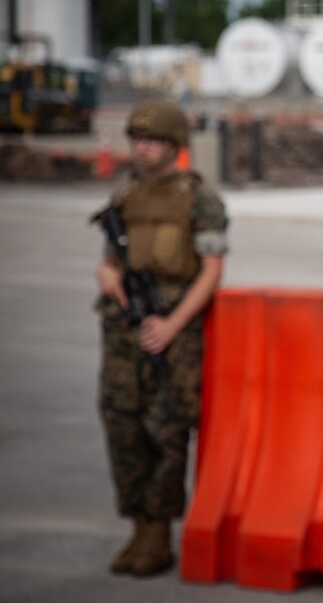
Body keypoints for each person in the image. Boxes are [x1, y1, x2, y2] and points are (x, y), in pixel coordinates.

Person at [93, 100, 228, 576]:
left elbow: (211, 272)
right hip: (123, 328)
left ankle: (158, 533)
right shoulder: (124, 197)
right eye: (137, 140)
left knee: (167, 429)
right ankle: (137, 525)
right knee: (122, 425)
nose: (142, 149)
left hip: (173, 331)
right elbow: (111, 257)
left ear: (175, 146)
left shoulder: (199, 198)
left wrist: (173, 325)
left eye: (153, 141)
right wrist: (106, 274)